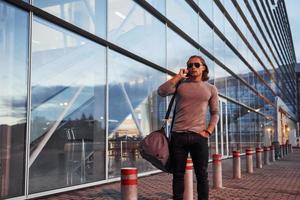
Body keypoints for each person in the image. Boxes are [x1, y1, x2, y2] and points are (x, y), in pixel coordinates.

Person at [157, 55, 219, 200]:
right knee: (178, 174)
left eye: (196, 65)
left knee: (202, 174)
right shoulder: (180, 84)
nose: (193, 68)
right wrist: (178, 76)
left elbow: (215, 113)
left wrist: (208, 130)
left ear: (204, 67)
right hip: (178, 135)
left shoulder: (211, 88)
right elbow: (161, 92)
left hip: (199, 136)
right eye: (190, 65)